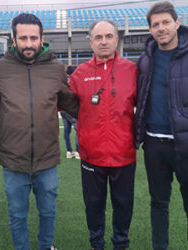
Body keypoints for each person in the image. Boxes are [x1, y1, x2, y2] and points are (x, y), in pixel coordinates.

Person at [0, 13, 78, 250]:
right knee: (17, 215)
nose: (28, 43)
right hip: (13, 160)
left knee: (48, 213)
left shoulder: (56, 69)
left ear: (42, 38)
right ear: (13, 38)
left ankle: (45, 246)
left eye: (33, 38)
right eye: (23, 38)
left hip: (47, 159)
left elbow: (71, 103)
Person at [69, 20, 138, 250]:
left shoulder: (132, 71)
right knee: (94, 205)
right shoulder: (80, 74)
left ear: (117, 39)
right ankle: (96, 243)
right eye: (98, 37)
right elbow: (61, 104)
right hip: (91, 156)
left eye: (109, 36)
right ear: (91, 43)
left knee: (123, 204)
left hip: (124, 155)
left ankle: (121, 243)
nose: (104, 41)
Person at [135, 1, 188, 249]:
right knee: (158, 203)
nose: (161, 28)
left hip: (185, 145)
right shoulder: (145, 59)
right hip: (154, 144)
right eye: (155, 24)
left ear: (177, 23)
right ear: (150, 29)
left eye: (166, 22)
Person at [60, 65, 80, 159]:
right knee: (78, 131)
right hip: (72, 110)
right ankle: (78, 151)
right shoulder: (75, 81)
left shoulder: (63, 81)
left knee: (66, 131)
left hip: (63, 111)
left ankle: (69, 151)